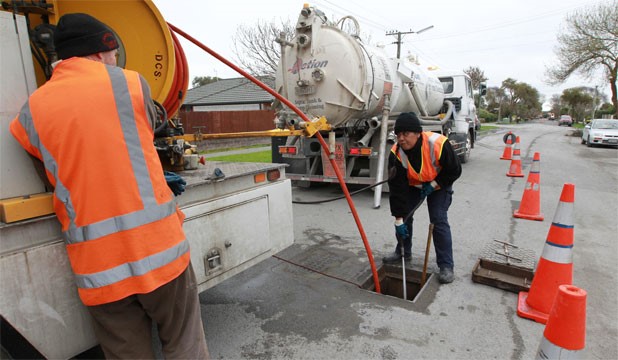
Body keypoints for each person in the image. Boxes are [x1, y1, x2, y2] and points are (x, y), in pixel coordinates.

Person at [9, 13, 209, 359]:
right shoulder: (130, 84)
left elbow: (48, 165)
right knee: (184, 344)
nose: (116, 61)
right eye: (114, 53)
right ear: (99, 52)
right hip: (160, 252)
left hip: (99, 270)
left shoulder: (30, 113)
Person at [383, 112, 462, 284]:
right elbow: (397, 190)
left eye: (405, 134)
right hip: (414, 185)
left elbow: (455, 170)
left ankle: (446, 265)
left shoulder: (438, 144)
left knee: (438, 219)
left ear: (418, 133)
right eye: (398, 134)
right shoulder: (396, 153)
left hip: (440, 184)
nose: (401, 139)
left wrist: (434, 184)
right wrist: (398, 219)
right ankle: (403, 251)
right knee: (405, 217)